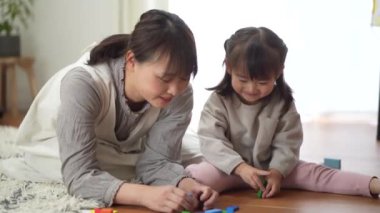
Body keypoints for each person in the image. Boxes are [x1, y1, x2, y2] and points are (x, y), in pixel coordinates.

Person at [0, 9, 218, 212]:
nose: (174, 89)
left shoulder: (180, 93)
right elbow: (80, 175)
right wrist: (145, 195)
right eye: (165, 78)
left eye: (183, 78)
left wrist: (188, 184)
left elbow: (157, 160)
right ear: (132, 60)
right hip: (57, 142)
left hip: (123, 146)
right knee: (88, 166)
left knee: (198, 148)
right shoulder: (84, 84)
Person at [185, 26, 380, 199]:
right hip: (228, 171)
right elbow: (212, 141)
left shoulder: (283, 103)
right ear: (228, 67)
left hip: (272, 171)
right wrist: (241, 168)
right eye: (243, 79)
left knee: (316, 174)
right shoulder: (219, 101)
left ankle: (372, 184)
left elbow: (288, 143)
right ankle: (180, 189)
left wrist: (277, 172)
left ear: (278, 72)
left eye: (262, 82)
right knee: (198, 176)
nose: (252, 88)